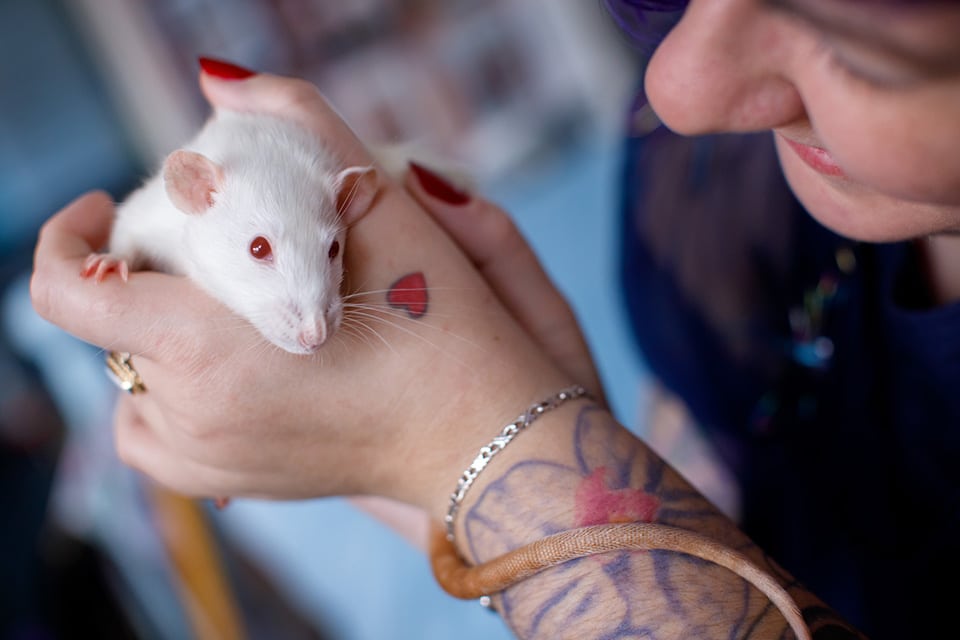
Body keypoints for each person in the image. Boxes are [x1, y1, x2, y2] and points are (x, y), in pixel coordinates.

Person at [29, 0, 958, 638]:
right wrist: (546, 451)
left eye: (863, 53)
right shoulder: (710, 180)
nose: (676, 90)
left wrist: (477, 447)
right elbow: (720, 448)